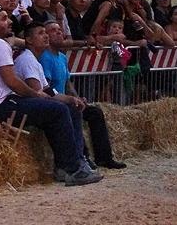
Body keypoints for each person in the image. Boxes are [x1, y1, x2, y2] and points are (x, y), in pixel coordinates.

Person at [0, 5, 102, 185]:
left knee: (60, 109)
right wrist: (36, 96)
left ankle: (70, 165)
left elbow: (40, 87)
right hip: (1, 105)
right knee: (58, 110)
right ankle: (72, 168)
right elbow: (12, 82)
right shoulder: (0, 45)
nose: (9, 21)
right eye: (3, 19)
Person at [31, 21, 127, 169]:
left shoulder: (62, 57)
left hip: (66, 99)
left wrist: (78, 97)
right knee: (72, 112)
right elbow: (47, 87)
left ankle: (104, 157)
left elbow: (68, 83)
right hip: (56, 101)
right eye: (53, 30)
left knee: (95, 112)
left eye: (59, 30)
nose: (58, 32)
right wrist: (70, 100)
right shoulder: (45, 58)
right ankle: (83, 157)